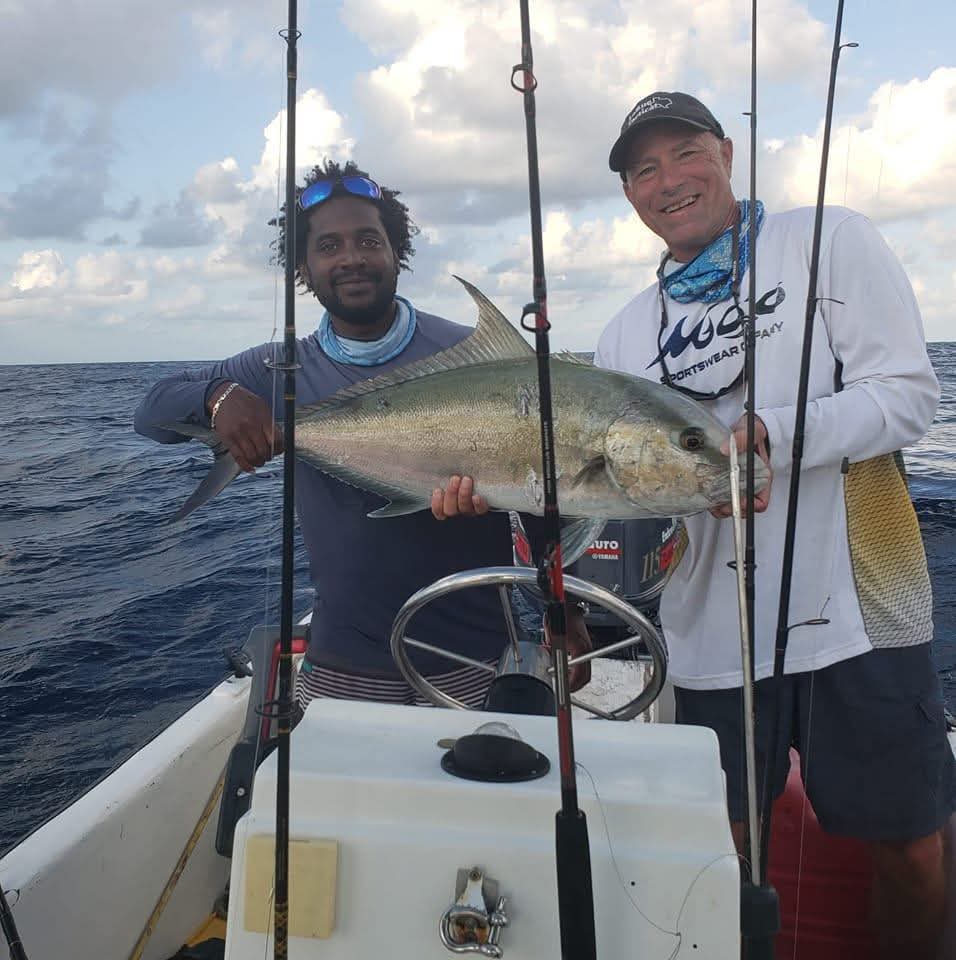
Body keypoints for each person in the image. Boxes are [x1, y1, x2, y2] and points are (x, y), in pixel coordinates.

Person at [596, 91, 953, 958]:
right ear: (631, 195)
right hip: (710, 635)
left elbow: (909, 399)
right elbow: (625, 490)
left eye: (686, 153)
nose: (669, 180)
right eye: (644, 169)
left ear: (725, 149)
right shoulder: (620, 337)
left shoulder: (827, 239)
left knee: (909, 846)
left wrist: (773, 439)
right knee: (725, 852)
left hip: (863, 611)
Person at [135, 159, 587, 712]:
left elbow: (547, 493)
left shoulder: (467, 355)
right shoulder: (281, 369)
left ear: (397, 253)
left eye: (368, 240)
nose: (350, 258)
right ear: (303, 267)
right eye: (328, 246)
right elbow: (151, 412)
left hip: (476, 657)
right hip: (345, 656)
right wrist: (217, 397)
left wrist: (563, 611)